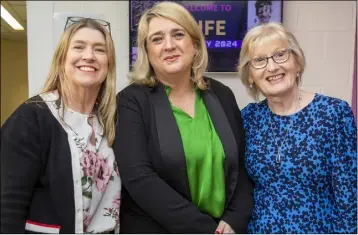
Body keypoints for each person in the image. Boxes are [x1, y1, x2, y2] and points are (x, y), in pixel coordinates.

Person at [114, 1, 253, 234]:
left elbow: (241, 165)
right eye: (157, 39)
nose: (168, 45)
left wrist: (234, 217)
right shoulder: (131, 101)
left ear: (195, 45)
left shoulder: (221, 94)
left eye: (178, 34)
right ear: (147, 52)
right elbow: (139, 179)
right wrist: (207, 230)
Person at [1, 17, 121, 233]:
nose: (89, 56)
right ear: (62, 58)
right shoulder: (31, 117)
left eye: (100, 50)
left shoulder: (111, 121)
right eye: (79, 47)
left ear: (109, 63)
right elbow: (8, 208)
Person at [238, 22, 357, 233]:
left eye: (280, 55)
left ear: (297, 62)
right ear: (250, 76)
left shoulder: (333, 113)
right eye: (259, 60)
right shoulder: (248, 118)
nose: (272, 67)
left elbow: (350, 196)